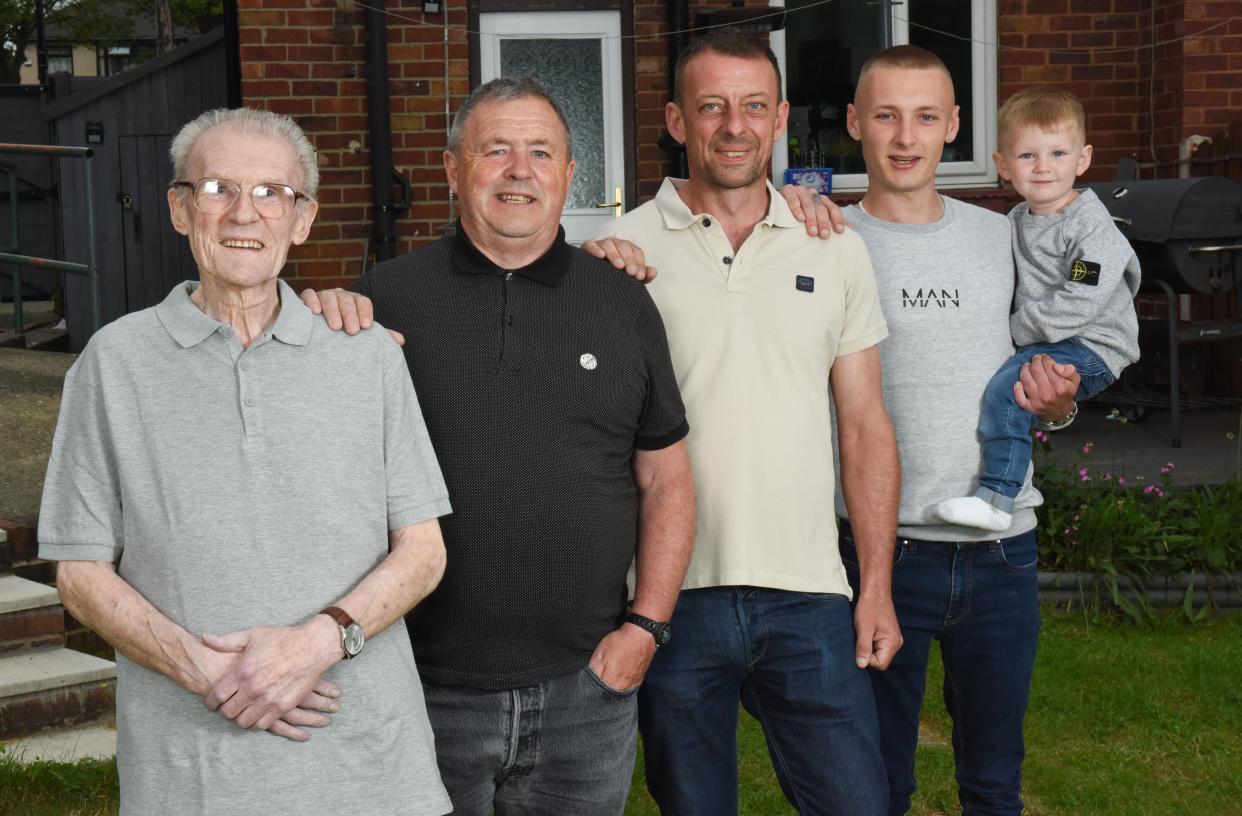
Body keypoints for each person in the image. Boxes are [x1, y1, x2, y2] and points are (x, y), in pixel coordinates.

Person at [37, 108, 453, 815]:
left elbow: (424, 551)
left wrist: (318, 643)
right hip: (193, 776)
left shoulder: (367, 354)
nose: (243, 213)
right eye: (217, 188)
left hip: (371, 772)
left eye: (271, 193)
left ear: (302, 219)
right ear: (178, 208)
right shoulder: (114, 363)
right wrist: (209, 674)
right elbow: (79, 572)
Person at [302, 76, 696, 815]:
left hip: (588, 686)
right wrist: (316, 323)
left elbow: (666, 479)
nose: (521, 171)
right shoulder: (383, 301)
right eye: (497, 151)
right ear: (454, 168)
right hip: (422, 688)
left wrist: (645, 627)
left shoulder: (622, 300)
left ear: (570, 176)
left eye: (542, 153)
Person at [588, 29, 900, 815]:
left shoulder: (833, 247)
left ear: (781, 117)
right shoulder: (617, 255)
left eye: (754, 106)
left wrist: (877, 587)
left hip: (811, 596)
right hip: (669, 597)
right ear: (676, 119)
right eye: (713, 107)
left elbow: (864, 425)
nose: (735, 125)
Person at [780, 46, 1083, 816]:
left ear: (953, 126)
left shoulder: (1004, 238)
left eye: (924, 117)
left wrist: (1060, 403)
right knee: (877, 784)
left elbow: (1049, 363)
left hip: (1002, 552)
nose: (905, 136)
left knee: (992, 781)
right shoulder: (820, 239)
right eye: (885, 115)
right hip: (881, 555)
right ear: (854, 124)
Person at [933, 87, 1141, 532]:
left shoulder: (1090, 226)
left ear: (1083, 159)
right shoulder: (1015, 220)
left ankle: (996, 497)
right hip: (1050, 338)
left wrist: (1011, 332)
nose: (1043, 167)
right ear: (1002, 165)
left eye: (1057, 153)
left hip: (1092, 344)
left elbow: (1080, 301)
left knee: (1011, 389)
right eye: (1027, 156)